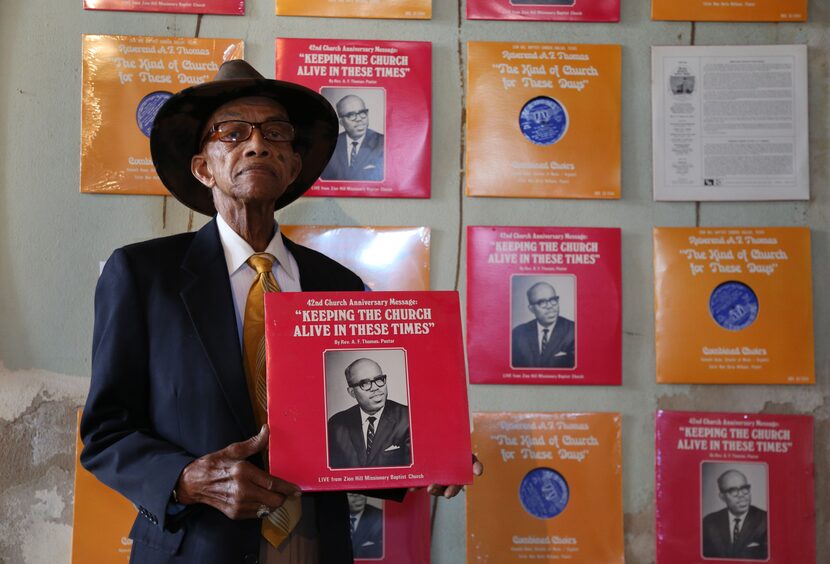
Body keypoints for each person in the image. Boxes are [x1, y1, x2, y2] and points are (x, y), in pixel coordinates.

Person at [80, 60, 479, 564]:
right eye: (232, 133)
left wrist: (427, 460)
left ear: (292, 167)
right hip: (195, 547)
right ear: (203, 167)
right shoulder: (142, 276)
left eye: (276, 133)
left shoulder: (339, 285)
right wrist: (185, 480)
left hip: (314, 542)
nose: (257, 144)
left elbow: (357, 425)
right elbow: (105, 433)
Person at [327, 358, 411, 469]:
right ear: (352, 393)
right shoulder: (336, 425)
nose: (376, 387)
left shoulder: (408, 418)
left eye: (379, 379)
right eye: (365, 383)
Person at [702, 470, 768, 560]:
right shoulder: (709, 523)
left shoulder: (765, 520)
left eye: (744, 488)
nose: (741, 495)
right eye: (733, 490)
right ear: (722, 497)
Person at [511, 281, 575, 368]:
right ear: (531, 309)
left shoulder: (574, 331)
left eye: (553, 300)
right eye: (541, 302)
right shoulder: (518, 334)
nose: (549, 306)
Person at [320, 94, 384, 181]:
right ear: (341, 122)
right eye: (351, 115)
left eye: (362, 112)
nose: (359, 119)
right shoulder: (330, 144)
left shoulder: (383, 142)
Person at [347, 493, 382, 559]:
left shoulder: (380, 517)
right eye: (352, 495)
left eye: (362, 493)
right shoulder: (332, 517)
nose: (359, 499)